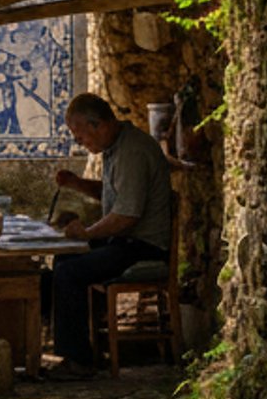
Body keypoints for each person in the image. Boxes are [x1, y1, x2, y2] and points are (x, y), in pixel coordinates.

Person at [40, 93, 174, 380]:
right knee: (63, 261)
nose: (82, 144)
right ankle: (79, 348)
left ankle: (78, 360)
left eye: (81, 137)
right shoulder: (117, 147)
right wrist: (77, 184)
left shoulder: (133, 151)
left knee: (70, 272)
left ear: (98, 125)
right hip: (127, 240)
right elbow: (113, 194)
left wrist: (87, 233)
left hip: (143, 246)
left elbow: (126, 216)